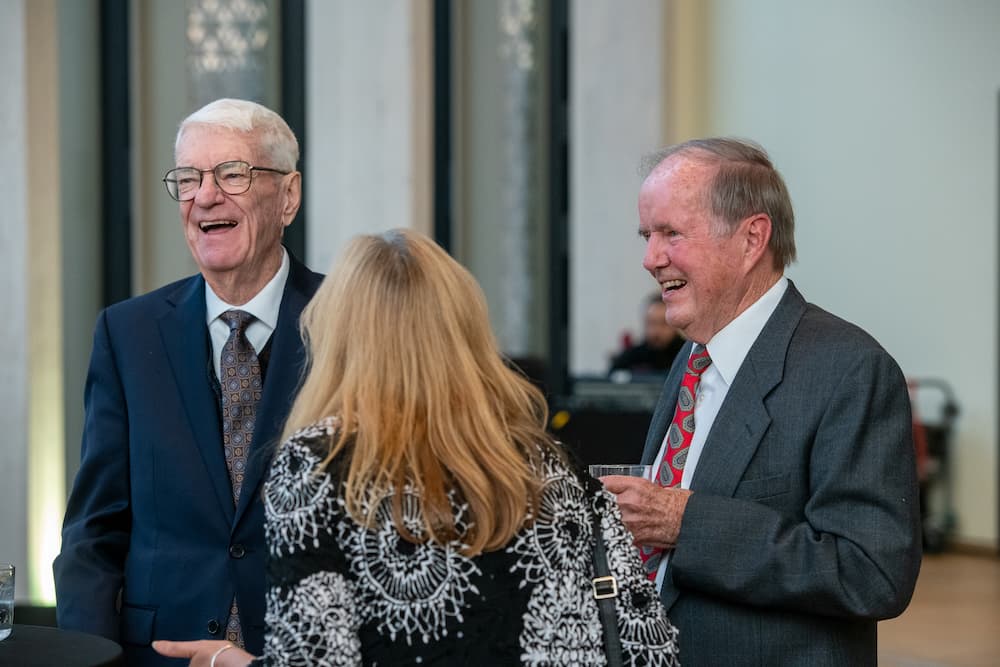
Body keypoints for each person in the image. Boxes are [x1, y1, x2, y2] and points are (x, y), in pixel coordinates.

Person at [152, 229, 681, 666]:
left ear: (339, 336)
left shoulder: (320, 465)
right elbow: (647, 645)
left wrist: (231, 662)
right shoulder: (553, 466)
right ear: (466, 334)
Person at [602, 138, 922, 665]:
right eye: (647, 236)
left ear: (752, 238)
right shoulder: (692, 357)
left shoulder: (849, 369)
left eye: (671, 233)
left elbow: (872, 572)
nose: (650, 259)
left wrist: (686, 522)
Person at [53, 98, 324, 665]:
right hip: (158, 655)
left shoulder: (348, 323)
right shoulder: (127, 333)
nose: (205, 195)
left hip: (306, 651)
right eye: (189, 178)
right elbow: (93, 533)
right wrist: (88, 657)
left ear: (289, 196)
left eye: (232, 174)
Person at [609, 293, 686, 375]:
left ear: (675, 323)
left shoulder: (687, 354)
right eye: (652, 323)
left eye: (664, 323)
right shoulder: (632, 356)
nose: (657, 330)